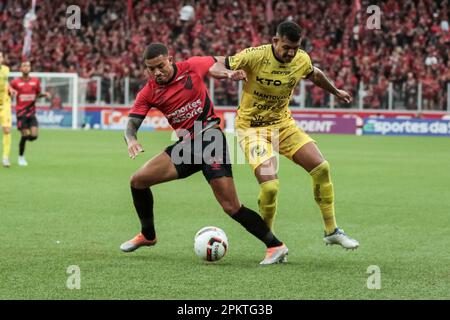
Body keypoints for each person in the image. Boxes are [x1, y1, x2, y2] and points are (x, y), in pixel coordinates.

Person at [120, 43, 288, 265]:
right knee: (138, 181)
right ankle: (148, 235)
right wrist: (131, 139)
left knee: (231, 206)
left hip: (210, 139)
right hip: (186, 147)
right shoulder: (149, 91)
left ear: (170, 59)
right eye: (151, 69)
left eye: (160, 66)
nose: (157, 72)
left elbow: (215, 66)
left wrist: (228, 73)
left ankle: (276, 246)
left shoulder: (191, 66)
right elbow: (132, 123)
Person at [210, 21, 359, 249]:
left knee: (322, 168)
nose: (291, 53)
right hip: (252, 129)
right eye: (286, 47)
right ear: (275, 41)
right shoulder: (254, 56)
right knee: (270, 187)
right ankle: (271, 243)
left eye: (295, 47)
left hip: (283, 126)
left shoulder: (301, 58)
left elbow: (314, 74)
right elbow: (215, 65)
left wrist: (335, 91)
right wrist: (229, 73)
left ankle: (331, 230)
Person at [9, 61, 51, 166]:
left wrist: (44, 94)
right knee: (26, 134)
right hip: (21, 113)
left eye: (28, 66)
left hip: (31, 113)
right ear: (20, 69)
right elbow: (8, 90)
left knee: (34, 136)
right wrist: (11, 92)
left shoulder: (35, 81)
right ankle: (21, 157)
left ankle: (22, 141)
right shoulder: (15, 82)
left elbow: (37, 94)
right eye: (24, 66)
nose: (26, 67)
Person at [0, 52, 13, 167]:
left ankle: (5, 157)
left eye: (0, 56)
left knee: (7, 130)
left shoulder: (6, 69)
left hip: (5, 103)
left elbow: (6, 83)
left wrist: (11, 89)